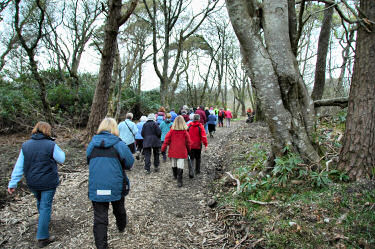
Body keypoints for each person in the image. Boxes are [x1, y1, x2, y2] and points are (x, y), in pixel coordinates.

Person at [7, 121, 65, 248]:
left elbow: (19, 166)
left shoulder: (26, 145)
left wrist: (13, 183)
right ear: (47, 131)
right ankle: (43, 236)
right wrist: (54, 144)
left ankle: (43, 223)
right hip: (48, 181)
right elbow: (62, 158)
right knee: (45, 206)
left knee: (40, 203)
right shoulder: (51, 144)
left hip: (32, 182)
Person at [87, 117, 134, 249]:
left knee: (99, 217)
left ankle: (101, 246)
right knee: (119, 208)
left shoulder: (92, 144)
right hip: (116, 183)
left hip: (96, 184)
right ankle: (121, 226)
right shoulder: (119, 144)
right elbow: (130, 162)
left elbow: (88, 159)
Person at [161, 116, 191, 187]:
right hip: (182, 151)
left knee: (174, 163)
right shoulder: (185, 132)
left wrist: (163, 149)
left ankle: (175, 175)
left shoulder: (171, 131)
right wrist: (189, 150)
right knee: (180, 164)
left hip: (173, 150)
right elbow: (188, 142)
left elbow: (166, 141)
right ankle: (179, 180)